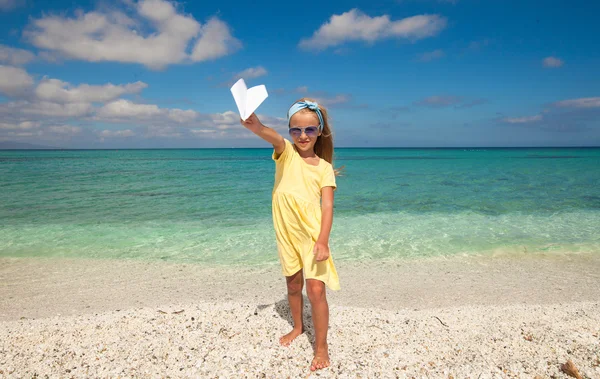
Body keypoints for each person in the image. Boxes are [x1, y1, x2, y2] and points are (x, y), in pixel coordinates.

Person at [240, 98, 340, 371]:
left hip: (312, 235)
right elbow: (267, 133)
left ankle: (321, 346)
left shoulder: (324, 168)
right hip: (286, 233)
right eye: (296, 130)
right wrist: (254, 124)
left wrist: (323, 241)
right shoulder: (286, 153)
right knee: (294, 285)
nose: (303, 136)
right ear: (290, 132)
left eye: (309, 129)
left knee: (316, 290)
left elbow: (328, 207)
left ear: (319, 130)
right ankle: (298, 327)